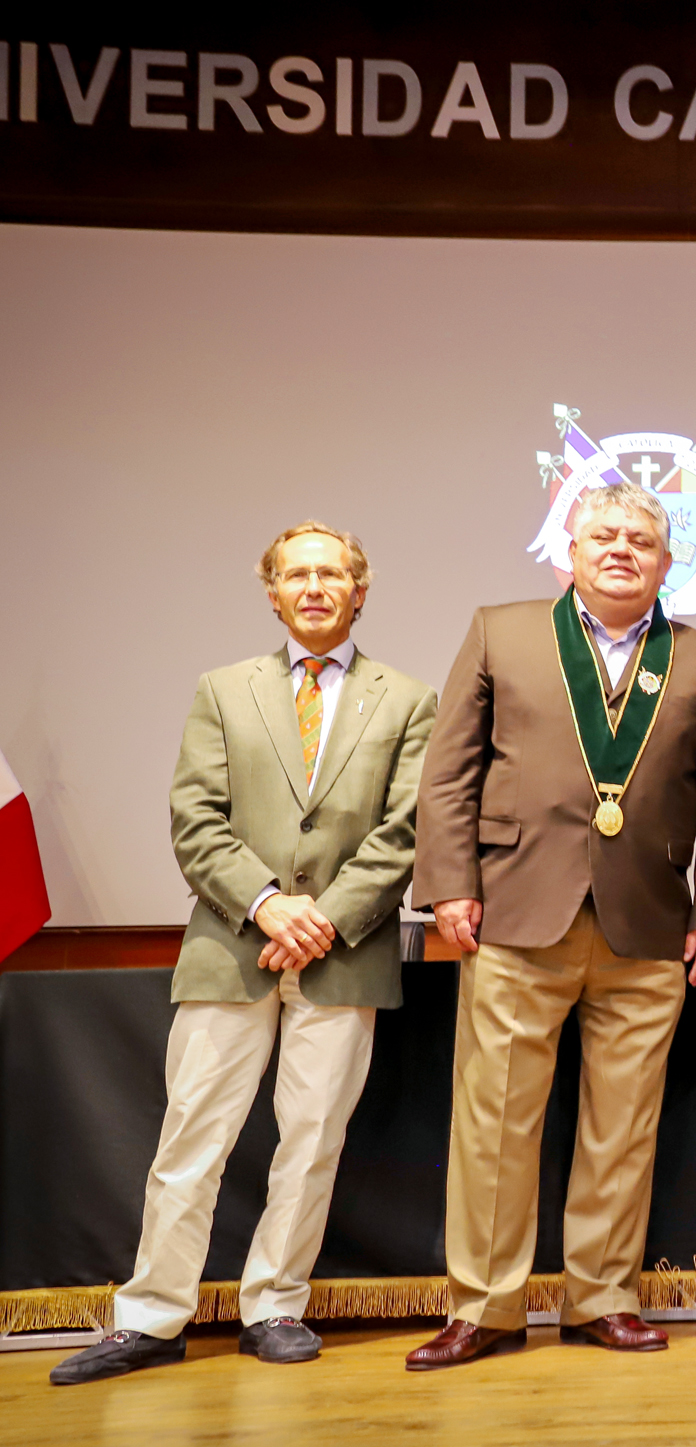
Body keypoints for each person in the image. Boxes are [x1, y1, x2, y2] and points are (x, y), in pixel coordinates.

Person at [53, 523, 436, 1386]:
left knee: (310, 1140)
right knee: (192, 1136)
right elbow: (197, 818)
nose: (312, 586)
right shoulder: (223, 690)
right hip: (232, 945)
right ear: (271, 592)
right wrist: (269, 906)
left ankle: (276, 1304)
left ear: (359, 588)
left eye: (330, 572)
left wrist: (322, 919)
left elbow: (403, 831)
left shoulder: (409, 699)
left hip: (344, 952)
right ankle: (152, 1316)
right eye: (295, 573)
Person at [405, 481, 696, 1369]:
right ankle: (485, 1306)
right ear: (570, 549)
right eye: (605, 535)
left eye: (642, 538)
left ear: (670, 564)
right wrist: (447, 884)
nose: (623, 548)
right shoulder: (500, 630)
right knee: (495, 1120)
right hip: (514, 913)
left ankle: (604, 1297)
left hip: (648, 927)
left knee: (623, 1124)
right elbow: (449, 774)